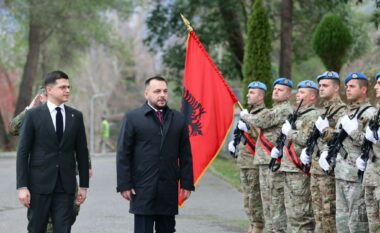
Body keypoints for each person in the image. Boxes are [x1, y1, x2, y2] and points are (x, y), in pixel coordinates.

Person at [116, 76, 194, 233]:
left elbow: (185, 154)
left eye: (165, 91)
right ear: (146, 94)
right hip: (143, 187)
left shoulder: (178, 119)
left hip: (168, 188)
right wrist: (124, 184)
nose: (162, 95)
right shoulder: (133, 118)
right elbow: (123, 153)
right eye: (157, 91)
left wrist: (186, 183)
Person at [16, 70, 90, 233]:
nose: (67, 90)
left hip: (66, 186)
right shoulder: (33, 115)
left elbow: (82, 152)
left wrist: (84, 185)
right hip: (39, 185)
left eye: (69, 87)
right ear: (49, 89)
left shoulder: (75, 116)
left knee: (63, 229)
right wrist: (22, 186)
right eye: (63, 87)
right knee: (36, 228)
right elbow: (22, 152)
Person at [319, 72, 374, 232]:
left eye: (352, 87)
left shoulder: (370, 113)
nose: (348, 90)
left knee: (357, 226)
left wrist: (353, 132)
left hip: (356, 178)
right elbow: (336, 139)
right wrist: (326, 151)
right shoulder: (346, 114)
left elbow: (372, 144)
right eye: (347, 86)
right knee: (341, 225)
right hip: (340, 175)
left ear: (363, 90)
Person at [240, 77, 293, 233]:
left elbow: (263, 121)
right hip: (265, 160)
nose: (275, 92)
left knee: (274, 201)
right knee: (267, 201)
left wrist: (246, 116)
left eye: (280, 90)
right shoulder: (276, 108)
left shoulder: (283, 109)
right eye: (275, 89)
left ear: (289, 94)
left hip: (273, 161)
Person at [301, 71, 346, 233]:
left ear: (336, 88)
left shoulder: (342, 111)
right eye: (319, 85)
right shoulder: (323, 111)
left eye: (325, 85)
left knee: (329, 214)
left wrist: (326, 130)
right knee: (318, 213)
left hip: (329, 172)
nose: (321, 88)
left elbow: (343, 138)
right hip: (316, 169)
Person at [272, 80, 318, 232]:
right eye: (298, 92)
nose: (298, 95)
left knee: (301, 215)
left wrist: (289, 132)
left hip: (299, 171)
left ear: (312, 97)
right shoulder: (297, 114)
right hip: (288, 168)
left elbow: (306, 139)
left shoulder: (312, 115)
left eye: (302, 92)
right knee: (291, 214)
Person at [228, 81, 267, 233]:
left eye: (252, 92)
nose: (247, 95)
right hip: (244, 162)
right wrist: (235, 143)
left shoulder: (263, 114)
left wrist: (249, 125)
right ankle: (252, 224)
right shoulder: (248, 114)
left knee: (255, 197)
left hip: (254, 163)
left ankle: (257, 226)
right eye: (248, 92)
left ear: (261, 95)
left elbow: (263, 138)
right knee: (247, 198)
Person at [357, 71, 380, 233]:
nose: (376, 86)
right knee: (373, 226)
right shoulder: (377, 112)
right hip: (371, 177)